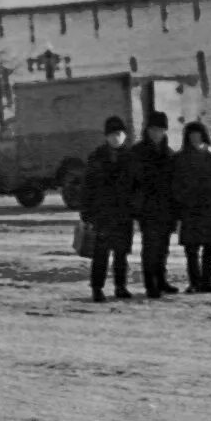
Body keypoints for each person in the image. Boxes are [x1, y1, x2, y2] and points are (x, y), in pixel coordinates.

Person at [81, 115, 139, 302]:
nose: (116, 138)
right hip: (102, 214)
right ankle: (97, 288)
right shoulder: (96, 157)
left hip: (123, 214)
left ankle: (120, 286)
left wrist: (135, 209)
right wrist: (87, 213)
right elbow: (87, 187)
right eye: (113, 134)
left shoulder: (131, 157)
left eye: (120, 134)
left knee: (121, 253)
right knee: (101, 254)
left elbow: (137, 186)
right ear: (106, 136)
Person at [172, 121, 211, 293]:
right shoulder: (179, 159)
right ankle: (194, 282)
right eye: (191, 135)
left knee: (209, 248)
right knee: (191, 249)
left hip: (209, 208)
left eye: (198, 135)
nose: (195, 138)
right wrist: (181, 204)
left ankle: (207, 281)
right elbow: (175, 185)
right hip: (189, 209)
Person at [133, 111, 179, 298]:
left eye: (160, 129)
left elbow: (175, 183)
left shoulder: (169, 153)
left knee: (163, 248)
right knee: (150, 248)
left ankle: (161, 280)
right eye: (153, 129)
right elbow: (133, 182)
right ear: (147, 130)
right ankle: (150, 284)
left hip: (166, 208)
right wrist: (137, 207)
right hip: (148, 208)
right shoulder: (137, 153)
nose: (156, 133)